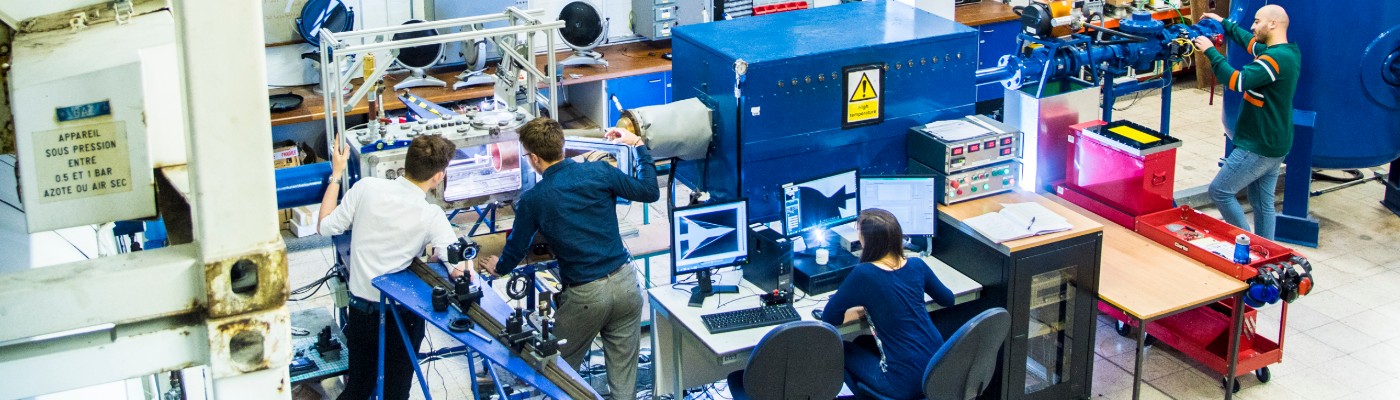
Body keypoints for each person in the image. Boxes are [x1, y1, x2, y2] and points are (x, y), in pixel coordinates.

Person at [475, 117, 659, 400]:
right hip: (626, 284)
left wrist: (498, 267)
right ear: (562, 146)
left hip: (586, 296)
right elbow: (649, 191)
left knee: (556, 371)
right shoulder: (600, 172)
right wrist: (637, 145)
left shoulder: (534, 199)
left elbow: (517, 247)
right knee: (624, 384)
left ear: (534, 158)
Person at [318, 133, 461, 400]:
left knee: (358, 386)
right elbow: (459, 270)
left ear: (406, 163)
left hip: (360, 311)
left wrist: (337, 173)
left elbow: (325, 226)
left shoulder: (366, 188)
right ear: (438, 177)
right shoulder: (431, 215)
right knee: (396, 391)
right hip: (400, 318)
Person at [821, 209, 955, 399]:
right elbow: (948, 299)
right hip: (937, 372)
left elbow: (829, 317)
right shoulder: (917, 265)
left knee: (839, 350)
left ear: (867, 241)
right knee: (861, 342)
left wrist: (863, 310)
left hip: (902, 383)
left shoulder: (864, 273)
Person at [1194, 5, 1300, 240]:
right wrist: (1225, 23)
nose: (1252, 26)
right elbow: (1250, 43)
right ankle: (1267, 254)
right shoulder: (1288, 52)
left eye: (1256, 21)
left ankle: (1247, 245)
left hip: (1258, 145)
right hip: (1276, 142)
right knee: (1263, 204)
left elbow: (1237, 81)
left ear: (1273, 24)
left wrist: (1211, 52)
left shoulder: (1274, 60)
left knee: (1220, 191)